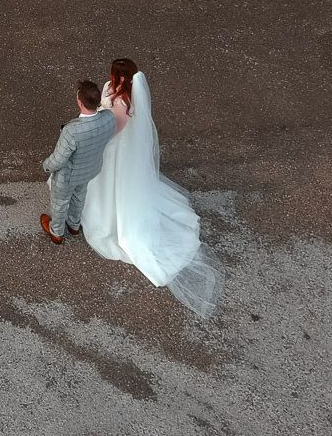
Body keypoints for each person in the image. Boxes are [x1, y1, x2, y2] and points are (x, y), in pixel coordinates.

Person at [80, 58, 221, 317]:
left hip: (118, 150)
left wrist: (90, 134)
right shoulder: (108, 88)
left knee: (115, 188)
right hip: (110, 139)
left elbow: (115, 131)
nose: (116, 80)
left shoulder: (126, 103)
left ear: (127, 79)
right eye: (115, 76)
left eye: (119, 77)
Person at [39, 78, 115, 245]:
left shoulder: (72, 130)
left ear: (80, 102)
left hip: (68, 175)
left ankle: (56, 231)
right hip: (90, 169)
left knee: (60, 202)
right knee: (80, 195)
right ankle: (74, 224)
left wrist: (46, 166)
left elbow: (58, 160)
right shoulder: (109, 118)